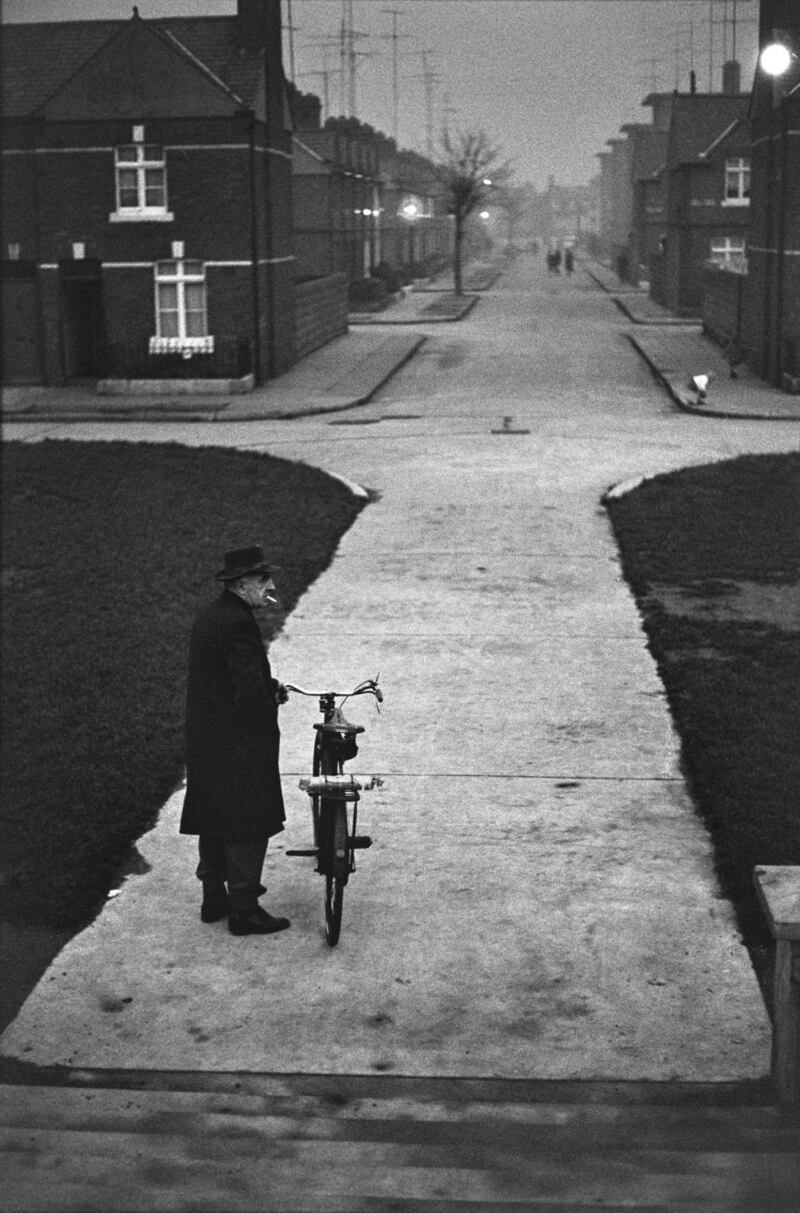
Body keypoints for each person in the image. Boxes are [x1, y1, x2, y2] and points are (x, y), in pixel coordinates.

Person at [180, 545, 290, 936]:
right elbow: (246, 695)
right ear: (241, 584)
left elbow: (220, 677)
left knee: (213, 816)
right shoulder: (240, 623)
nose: (270, 585)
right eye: (263, 579)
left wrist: (267, 685)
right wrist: (266, 710)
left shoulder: (211, 616)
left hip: (207, 740)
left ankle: (214, 898)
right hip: (237, 745)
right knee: (247, 822)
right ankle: (244, 908)